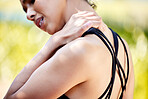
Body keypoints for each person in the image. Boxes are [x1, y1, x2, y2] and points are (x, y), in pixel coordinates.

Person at [4, 0, 134, 99]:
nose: (28, 15)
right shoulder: (123, 48)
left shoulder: (78, 51)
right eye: (24, 9)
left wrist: (52, 42)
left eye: (32, 1)